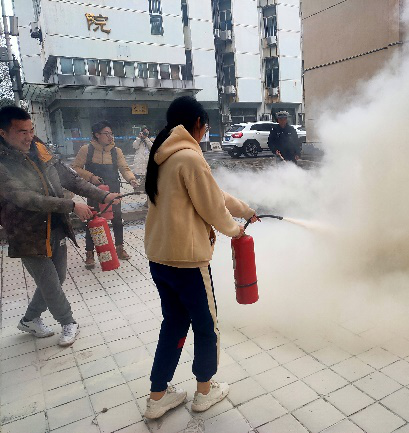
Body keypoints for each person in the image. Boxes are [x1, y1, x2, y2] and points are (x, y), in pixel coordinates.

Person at [142, 96, 259, 419]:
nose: (205, 132)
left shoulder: (163, 155)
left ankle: (157, 396)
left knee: (173, 323)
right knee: (207, 327)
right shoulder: (190, 158)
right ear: (197, 123)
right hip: (188, 263)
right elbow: (212, 207)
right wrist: (236, 230)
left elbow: (215, 194)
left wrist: (246, 210)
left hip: (160, 258)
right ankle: (204, 392)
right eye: (205, 127)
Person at [0, 106, 120, 346]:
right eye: (22, 132)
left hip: (55, 225)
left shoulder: (40, 149)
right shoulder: (3, 163)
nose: (29, 136)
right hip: (27, 233)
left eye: (31, 130)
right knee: (50, 283)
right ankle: (68, 322)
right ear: (3, 133)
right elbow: (25, 198)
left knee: (59, 277)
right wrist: (71, 205)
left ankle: (29, 319)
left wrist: (103, 195)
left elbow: (70, 179)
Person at [71, 121, 139, 268]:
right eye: (106, 134)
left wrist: (131, 179)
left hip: (113, 189)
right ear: (97, 134)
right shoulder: (86, 150)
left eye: (111, 133)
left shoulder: (116, 151)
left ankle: (119, 248)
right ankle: (90, 253)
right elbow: (75, 168)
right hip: (93, 190)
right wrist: (90, 177)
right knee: (92, 218)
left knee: (117, 218)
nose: (110, 137)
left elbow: (124, 168)